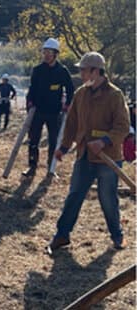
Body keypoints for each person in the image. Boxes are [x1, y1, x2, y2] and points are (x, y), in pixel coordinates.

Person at [48, 52, 129, 253]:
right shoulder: (80, 94)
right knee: (74, 195)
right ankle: (62, 235)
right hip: (84, 155)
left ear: (96, 71)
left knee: (108, 198)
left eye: (84, 70)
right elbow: (72, 124)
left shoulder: (115, 96)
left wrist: (104, 141)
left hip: (108, 158)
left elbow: (123, 126)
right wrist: (64, 147)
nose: (81, 74)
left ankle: (117, 235)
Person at [23, 38, 75, 177]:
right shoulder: (37, 70)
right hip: (38, 111)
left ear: (55, 54)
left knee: (54, 141)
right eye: (44, 52)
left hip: (55, 113)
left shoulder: (62, 71)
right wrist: (29, 104)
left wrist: (68, 104)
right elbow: (32, 90)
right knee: (34, 140)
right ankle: (32, 166)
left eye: (49, 52)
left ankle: (51, 169)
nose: (46, 55)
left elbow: (70, 89)